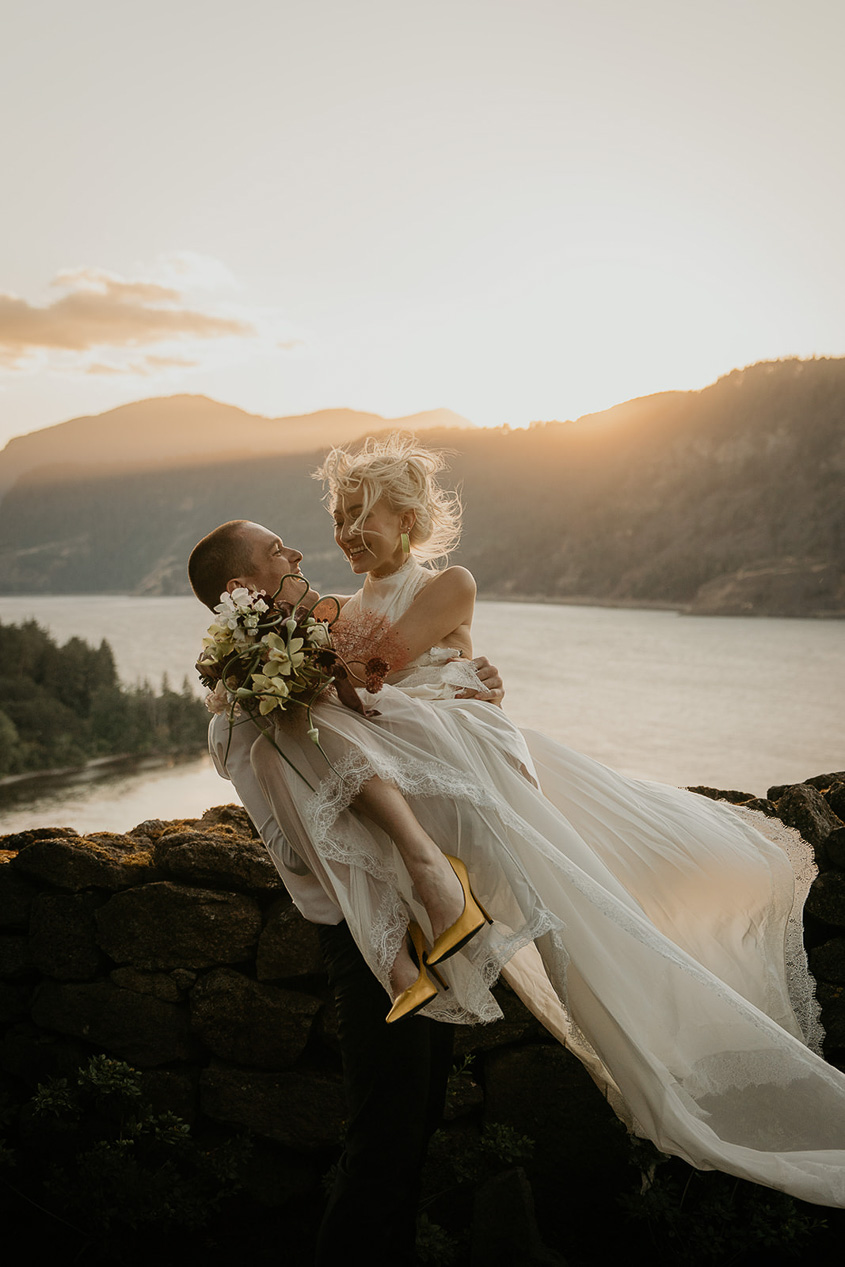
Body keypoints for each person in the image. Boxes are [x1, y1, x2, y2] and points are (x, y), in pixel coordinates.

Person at [191, 433, 845, 1211]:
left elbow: (371, 678)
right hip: (394, 847)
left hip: (456, 789)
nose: (338, 533)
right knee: (392, 1130)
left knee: (434, 1097)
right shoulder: (317, 625)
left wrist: (466, 682)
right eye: (336, 515)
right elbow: (346, 701)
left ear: (407, 519)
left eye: (358, 513)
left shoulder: (433, 590)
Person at [189, 515, 506, 1265]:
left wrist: (468, 682)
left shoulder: (295, 668)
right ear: (244, 588)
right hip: (372, 941)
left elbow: (395, 725)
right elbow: (358, 752)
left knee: (412, 1133)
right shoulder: (258, 690)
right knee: (383, 1148)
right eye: (276, 551)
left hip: (412, 922)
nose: (296, 552)